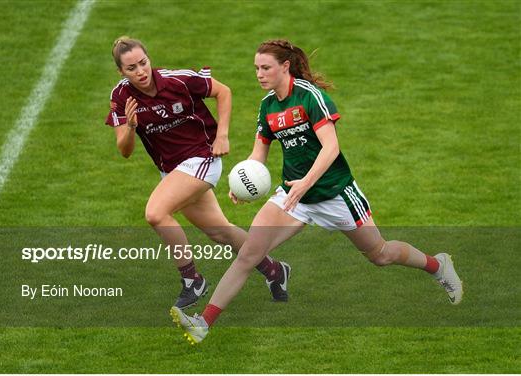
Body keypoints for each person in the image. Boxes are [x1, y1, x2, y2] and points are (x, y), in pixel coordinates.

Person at [170, 39, 464, 344]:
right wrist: (243, 183)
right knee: (249, 254)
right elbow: (259, 154)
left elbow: (331, 147)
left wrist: (306, 184)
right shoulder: (268, 105)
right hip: (293, 196)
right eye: (256, 68)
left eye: (265, 67)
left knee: (381, 254)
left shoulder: (310, 97)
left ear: (285, 66)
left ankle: (438, 264)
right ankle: (203, 323)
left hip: (335, 194)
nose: (259, 74)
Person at [105, 36, 290, 309]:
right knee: (220, 232)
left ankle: (192, 280)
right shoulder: (121, 97)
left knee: (155, 213)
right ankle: (275, 271)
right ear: (121, 71)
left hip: (203, 157)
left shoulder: (178, 80)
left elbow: (223, 91)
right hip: (172, 170)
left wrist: (222, 136)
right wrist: (131, 127)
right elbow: (125, 150)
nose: (140, 71)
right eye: (131, 68)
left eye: (143, 63)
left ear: (149, 59)